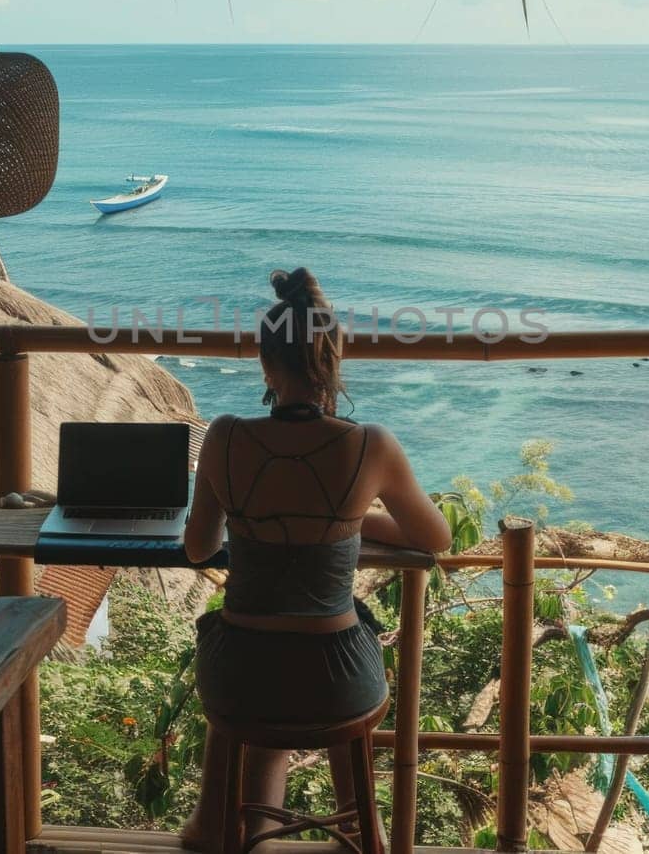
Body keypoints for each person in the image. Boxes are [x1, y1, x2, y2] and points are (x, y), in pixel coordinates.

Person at [179, 267, 451, 851]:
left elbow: (198, 548)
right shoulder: (369, 445)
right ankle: (359, 827)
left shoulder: (225, 436)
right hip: (338, 680)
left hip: (241, 676)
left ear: (265, 364)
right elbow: (435, 538)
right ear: (333, 362)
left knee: (254, 659)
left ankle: (232, 829)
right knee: (320, 655)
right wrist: (349, 520)